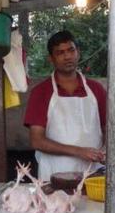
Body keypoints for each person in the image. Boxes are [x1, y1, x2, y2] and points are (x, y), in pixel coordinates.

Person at [24, 30, 106, 180]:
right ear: (51, 59)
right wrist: (79, 151)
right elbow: (37, 140)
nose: (67, 56)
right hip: (55, 175)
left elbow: (109, 129)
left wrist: (106, 151)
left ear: (78, 52)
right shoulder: (41, 92)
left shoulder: (96, 90)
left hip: (93, 174)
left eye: (71, 50)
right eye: (60, 53)